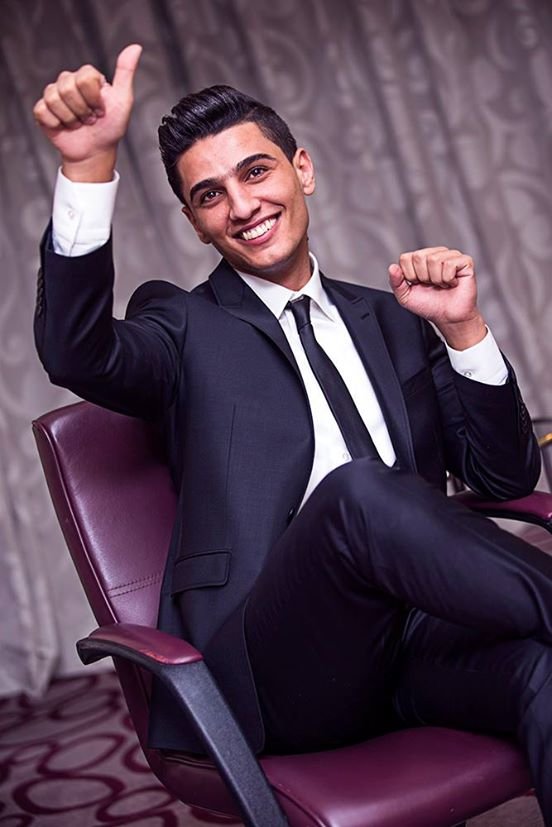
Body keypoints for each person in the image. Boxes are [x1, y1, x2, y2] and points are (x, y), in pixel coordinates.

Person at [33, 45, 552, 820]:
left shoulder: (394, 317)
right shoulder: (182, 326)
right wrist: (87, 166)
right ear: (194, 222)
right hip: (275, 669)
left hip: (417, 640)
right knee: (358, 493)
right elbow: (76, 351)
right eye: (211, 195)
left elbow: (506, 476)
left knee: (543, 673)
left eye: (256, 172)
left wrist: (465, 329)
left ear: (301, 169)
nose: (242, 205)